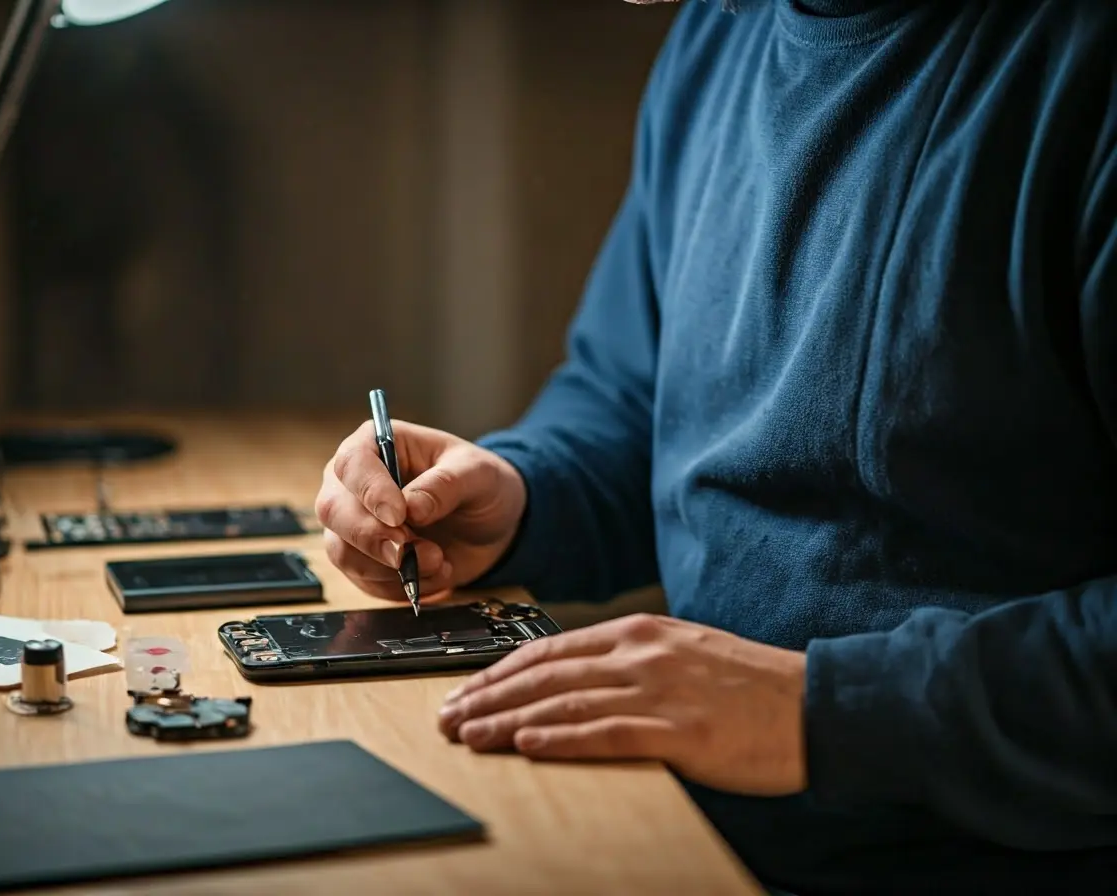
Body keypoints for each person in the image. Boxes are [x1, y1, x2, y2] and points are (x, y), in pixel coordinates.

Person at [315, 1, 1117, 893]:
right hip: (681, 824)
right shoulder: (717, 31)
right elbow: (634, 400)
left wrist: (826, 712)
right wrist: (522, 497)